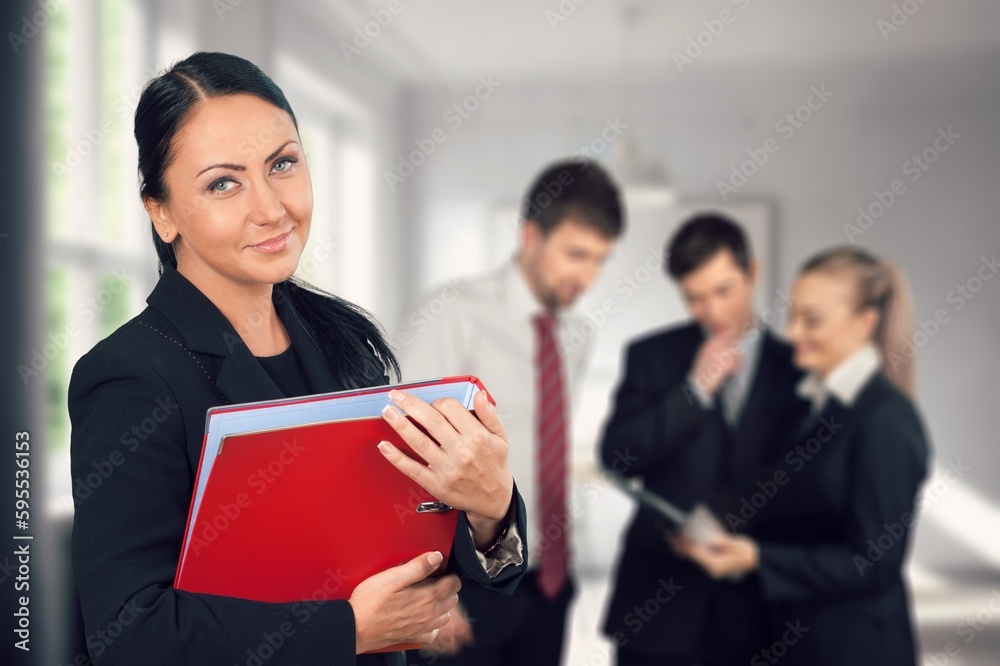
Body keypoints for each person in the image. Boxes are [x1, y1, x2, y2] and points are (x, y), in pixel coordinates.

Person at [68, 51, 527, 666]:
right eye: (223, 183)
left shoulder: (345, 343)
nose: (271, 207)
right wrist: (347, 630)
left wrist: (490, 510)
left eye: (282, 164)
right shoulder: (131, 376)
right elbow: (128, 636)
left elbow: (413, 549)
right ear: (162, 212)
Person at [402, 159, 625, 665]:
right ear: (530, 236)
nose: (586, 276)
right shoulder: (455, 314)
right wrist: (428, 588)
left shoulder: (576, 336)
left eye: (599, 260)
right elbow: (406, 451)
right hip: (466, 584)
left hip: (548, 580)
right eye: (575, 254)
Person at [678, 246, 930, 665]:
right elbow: (784, 487)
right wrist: (710, 517)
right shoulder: (818, 404)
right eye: (792, 316)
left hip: (855, 649)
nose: (793, 332)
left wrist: (759, 559)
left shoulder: (886, 421)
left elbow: (873, 562)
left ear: (865, 323)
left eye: (811, 320)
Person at [599, 213, 809, 665]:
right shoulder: (651, 356)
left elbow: (810, 483)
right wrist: (693, 391)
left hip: (762, 613)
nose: (712, 311)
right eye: (694, 298)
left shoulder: (800, 368)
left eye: (723, 291)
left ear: (752, 273)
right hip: (659, 609)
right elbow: (618, 456)